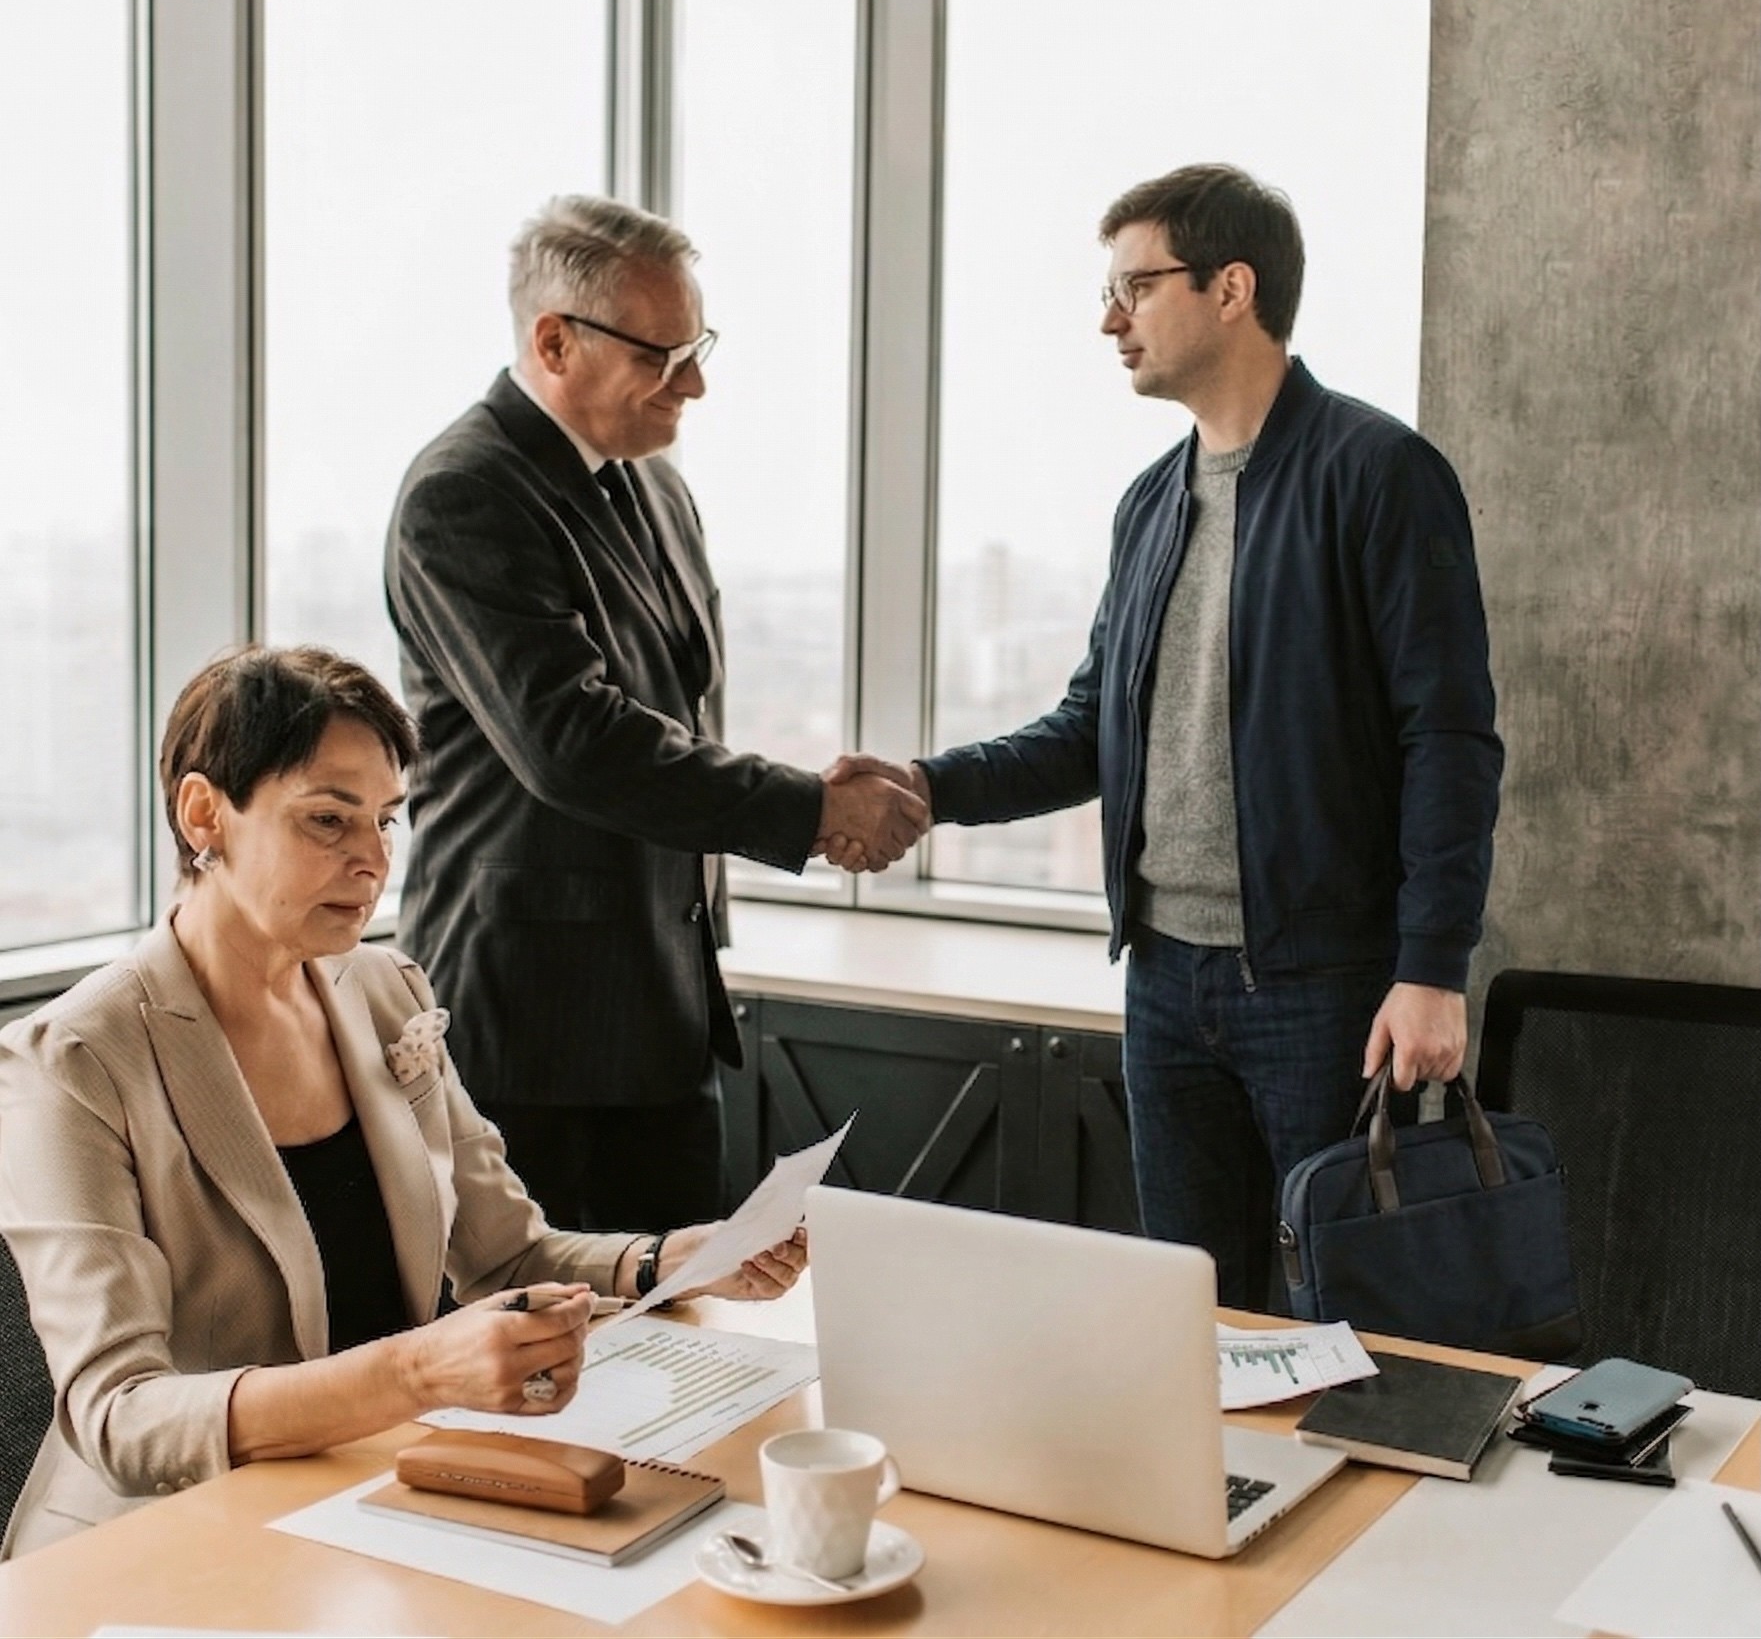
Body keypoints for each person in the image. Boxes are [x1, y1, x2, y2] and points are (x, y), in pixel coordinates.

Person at [826, 165, 1502, 1311]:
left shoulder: (1379, 474)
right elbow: (1093, 726)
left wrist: (1432, 968)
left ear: (1232, 287)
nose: (1109, 318)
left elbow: (1451, 736)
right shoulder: (1152, 501)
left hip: (1326, 987)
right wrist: (928, 788)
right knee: (1197, 1314)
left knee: (1346, 1321)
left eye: (1135, 285)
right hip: (1165, 986)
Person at [0, 646, 806, 1560]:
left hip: (375, 1497)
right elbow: (122, 1418)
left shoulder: (387, 991)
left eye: (387, 821)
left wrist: (667, 1261)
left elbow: (510, 1257)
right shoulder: (72, 1057)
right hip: (160, 1544)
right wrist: (418, 1370)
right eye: (328, 821)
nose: (373, 860)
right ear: (203, 814)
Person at [385, 195, 924, 1236]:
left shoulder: (656, 487)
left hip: (663, 1013)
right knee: (546, 1369)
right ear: (554, 341)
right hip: (532, 1032)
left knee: (683, 1327)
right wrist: (812, 810)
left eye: (699, 347)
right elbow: (575, 742)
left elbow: (679, 716)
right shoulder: (463, 493)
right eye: (665, 354)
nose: (697, 382)